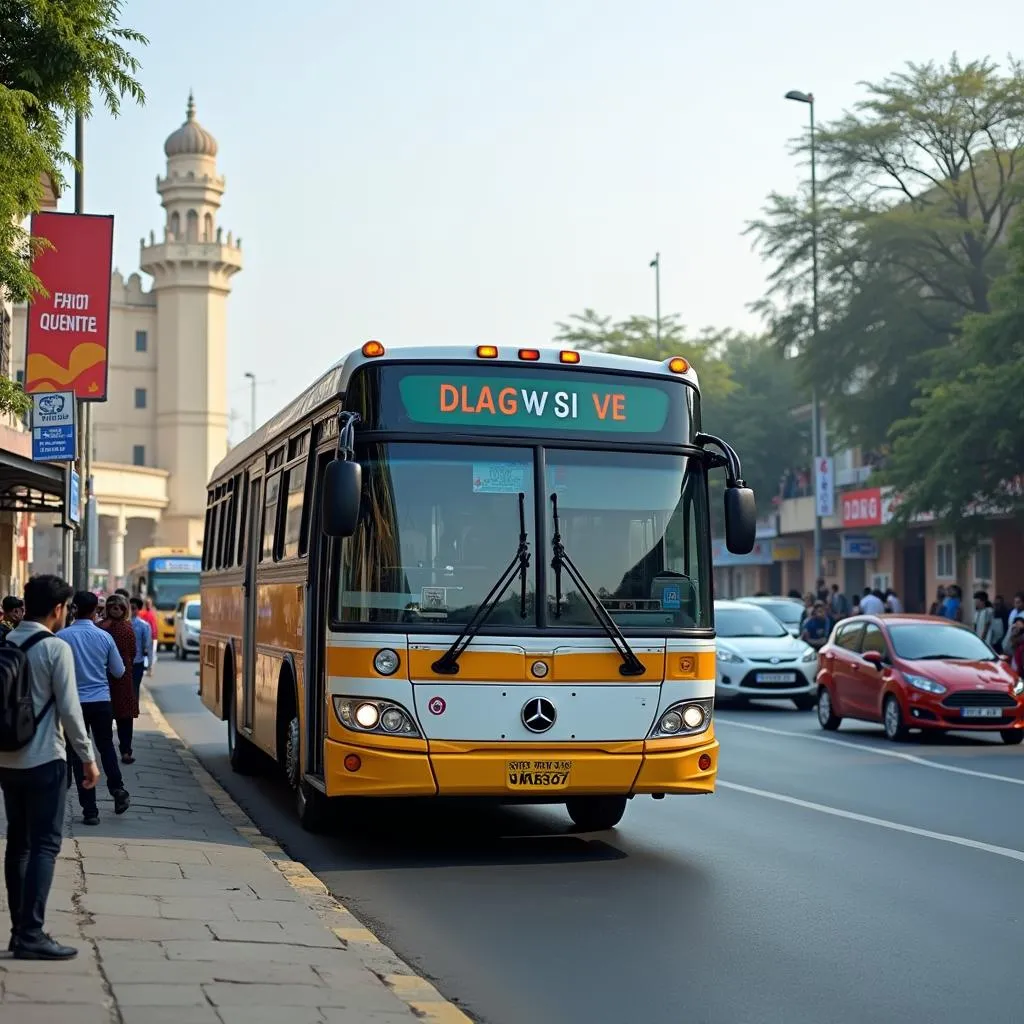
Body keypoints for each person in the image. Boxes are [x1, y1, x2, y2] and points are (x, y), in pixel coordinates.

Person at [0, 575, 99, 960]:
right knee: (44, 845)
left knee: (18, 846)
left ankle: (18, 932)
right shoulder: (55, 648)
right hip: (44, 760)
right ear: (59, 609)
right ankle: (32, 933)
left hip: (7, 760)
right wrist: (88, 759)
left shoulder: (6, 641)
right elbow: (71, 712)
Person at [62, 591, 130, 825]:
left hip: (73, 704)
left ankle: (90, 810)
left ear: (73, 609)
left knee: (79, 754)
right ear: (95, 611)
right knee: (106, 747)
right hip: (101, 701)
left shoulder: (62, 637)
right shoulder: (104, 637)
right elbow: (119, 671)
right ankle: (117, 788)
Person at [99, 595, 138, 764]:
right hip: (120, 676)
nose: (115, 609)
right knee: (123, 717)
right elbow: (133, 652)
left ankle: (114, 751)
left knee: (113, 716)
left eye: (118, 607)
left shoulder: (100, 628)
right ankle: (125, 751)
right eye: (113, 606)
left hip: (106, 676)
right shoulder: (126, 628)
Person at [129, 596, 153, 692]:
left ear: (138, 610)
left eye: (133, 608)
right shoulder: (122, 623)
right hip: (123, 663)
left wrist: (149, 665)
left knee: (134, 689)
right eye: (129, 607)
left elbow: (148, 646)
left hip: (137, 662)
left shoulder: (144, 626)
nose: (131, 610)